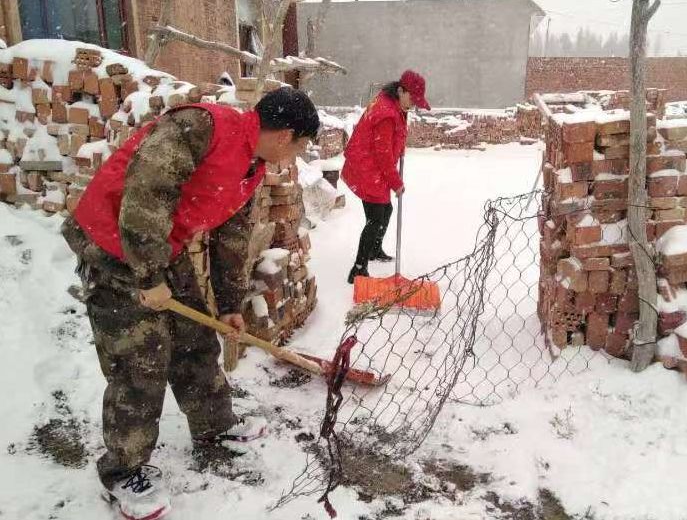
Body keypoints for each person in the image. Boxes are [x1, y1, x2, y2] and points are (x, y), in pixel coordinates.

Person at [61, 87, 319, 520]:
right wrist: (148, 276)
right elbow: (145, 194)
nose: (297, 156)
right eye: (301, 146)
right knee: (141, 357)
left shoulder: (251, 166)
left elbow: (232, 237)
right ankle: (123, 470)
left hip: (162, 249)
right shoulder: (201, 128)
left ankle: (213, 427)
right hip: (112, 244)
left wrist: (229, 304)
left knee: (195, 337)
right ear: (285, 135)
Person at [341, 70, 431, 284]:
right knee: (375, 219)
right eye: (412, 99)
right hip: (368, 168)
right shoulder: (387, 113)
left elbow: (391, 140)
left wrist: (399, 147)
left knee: (384, 211)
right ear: (400, 90)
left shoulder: (394, 105)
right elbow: (382, 154)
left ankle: (373, 250)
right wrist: (396, 184)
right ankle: (358, 269)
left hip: (371, 166)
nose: (413, 104)